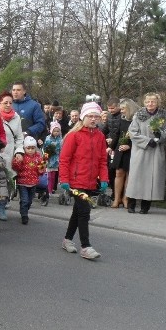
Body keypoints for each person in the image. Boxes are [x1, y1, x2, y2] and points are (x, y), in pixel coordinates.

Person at [59, 101, 108, 260]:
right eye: (90, 116)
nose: (93, 119)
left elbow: (102, 161)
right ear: (83, 117)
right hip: (75, 181)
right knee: (84, 211)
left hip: (90, 180)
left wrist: (105, 178)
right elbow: (65, 159)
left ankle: (67, 240)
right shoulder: (74, 135)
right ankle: (86, 246)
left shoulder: (100, 136)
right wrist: (64, 179)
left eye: (96, 116)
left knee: (77, 212)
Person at [125, 93, 166, 214]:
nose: (150, 104)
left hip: (156, 150)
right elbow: (133, 132)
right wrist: (146, 141)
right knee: (136, 177)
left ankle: (145, 206)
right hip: (140, 150)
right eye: (148, 102)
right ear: (144, 102)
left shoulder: (164, 115)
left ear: (157, 103)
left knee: (152, 178)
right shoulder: (138, 115)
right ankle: (132, 203)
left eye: (153, 102)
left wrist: (159, 135)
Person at [0, 90, 24, 222]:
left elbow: (19, 137)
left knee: (6, 182)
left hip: (9, 154)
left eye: (10, 103)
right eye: (5, 102)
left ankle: (1, 207)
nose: (8, 105)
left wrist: (19, 151)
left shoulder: (16, 117)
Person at [108, 98, 138, 208]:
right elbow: (117, 134)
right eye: (120, 109)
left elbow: (138, 137)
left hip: (132, 150)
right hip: (120, 149)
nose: (121, 111)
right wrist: (110, 147)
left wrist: (129, 146)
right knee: (118, 173)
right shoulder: (122, 119)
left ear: (129, 108)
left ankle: (126, 198)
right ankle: (117, 199)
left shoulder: (136, 120)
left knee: (129, 175)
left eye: (123, 109)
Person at [12, 136, 46, 225]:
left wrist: (42, 169)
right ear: (24, 148)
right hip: (23, 182)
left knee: (30, 201)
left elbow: (40, 170)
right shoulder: (22, 156)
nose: (30, 150)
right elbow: (16, 167)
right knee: (25, 200)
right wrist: (17, 162)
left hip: (33, 182)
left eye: (32, 148)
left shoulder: (38, 157)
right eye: (28, 148)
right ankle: (24, 215)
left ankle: (24, 210)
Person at [44, 121, 63, 197]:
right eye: (54, 131)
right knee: (48, 175)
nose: (56, 132)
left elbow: (61, 148)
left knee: (53, 176)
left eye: (58, 131)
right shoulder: (48, 138)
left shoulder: (60, 139)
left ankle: (51, 189)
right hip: (49, 158)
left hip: (56, 159)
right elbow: (45, 147)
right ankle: (48, 189)